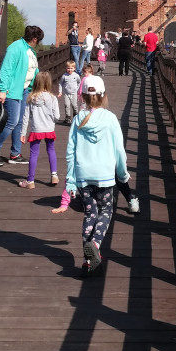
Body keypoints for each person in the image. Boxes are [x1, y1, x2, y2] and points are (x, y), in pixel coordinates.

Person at [65, 76, 129, 276]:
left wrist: (70, 181)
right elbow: (119, 151)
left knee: (90, 213)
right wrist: (122, 175)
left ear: (82, 96)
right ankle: (95, 243)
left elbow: (70, 152)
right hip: (105, 175)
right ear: (103, 95)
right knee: (106, 211)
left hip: (83, 175)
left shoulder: (78, 119)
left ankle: (88, 261)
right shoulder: (110, 119)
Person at [0, 25, 43, 166]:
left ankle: (15, 153)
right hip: (11, 90)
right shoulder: (16, 48)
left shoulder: (29, 50)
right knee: (12, 121)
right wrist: (2, 90)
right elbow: (6, 69)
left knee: (19, 121)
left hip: (23, 89)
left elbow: (33, 70)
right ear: (35, 39)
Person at [18, 70, 60, 189]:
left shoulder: (31, 98)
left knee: (34, 154)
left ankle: (30, 181)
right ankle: (54, 175)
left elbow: (26, 117)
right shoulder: (53, 98)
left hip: (36, 129)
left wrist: (23, 133)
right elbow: (57, 116)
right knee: (51, 150)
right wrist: (51, 119)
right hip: (49, 129)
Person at [57, 60, 81, 124]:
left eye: (71, 68)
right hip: (66, 93)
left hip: (74, 93)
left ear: (74, 68)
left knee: (74, 105)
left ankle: (76, 116)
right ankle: (68, 117)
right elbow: (60, 83)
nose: (70, 70)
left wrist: (77, 89)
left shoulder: (76, 76)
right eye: (68, 68)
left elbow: (79, 82)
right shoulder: (64, 76)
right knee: (67, 105)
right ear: (66, 68)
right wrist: (60, 91)